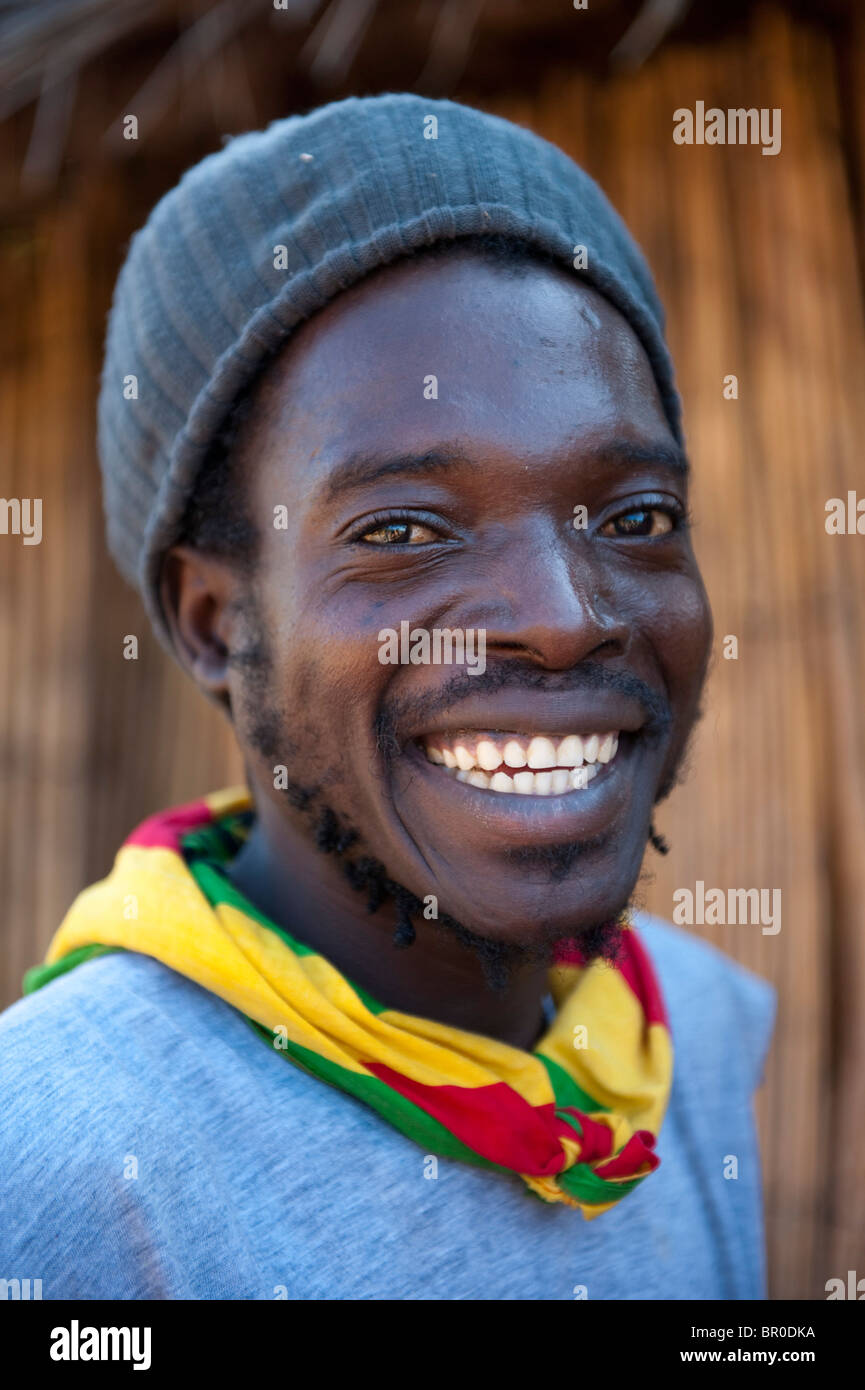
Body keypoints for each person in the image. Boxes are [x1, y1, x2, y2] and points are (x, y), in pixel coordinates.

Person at [0, 93, 775, 1300]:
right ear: (217, 622)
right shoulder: (66, 1165)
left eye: (636, 518)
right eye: (404, 528)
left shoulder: (697, 1044)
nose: (566, 614)